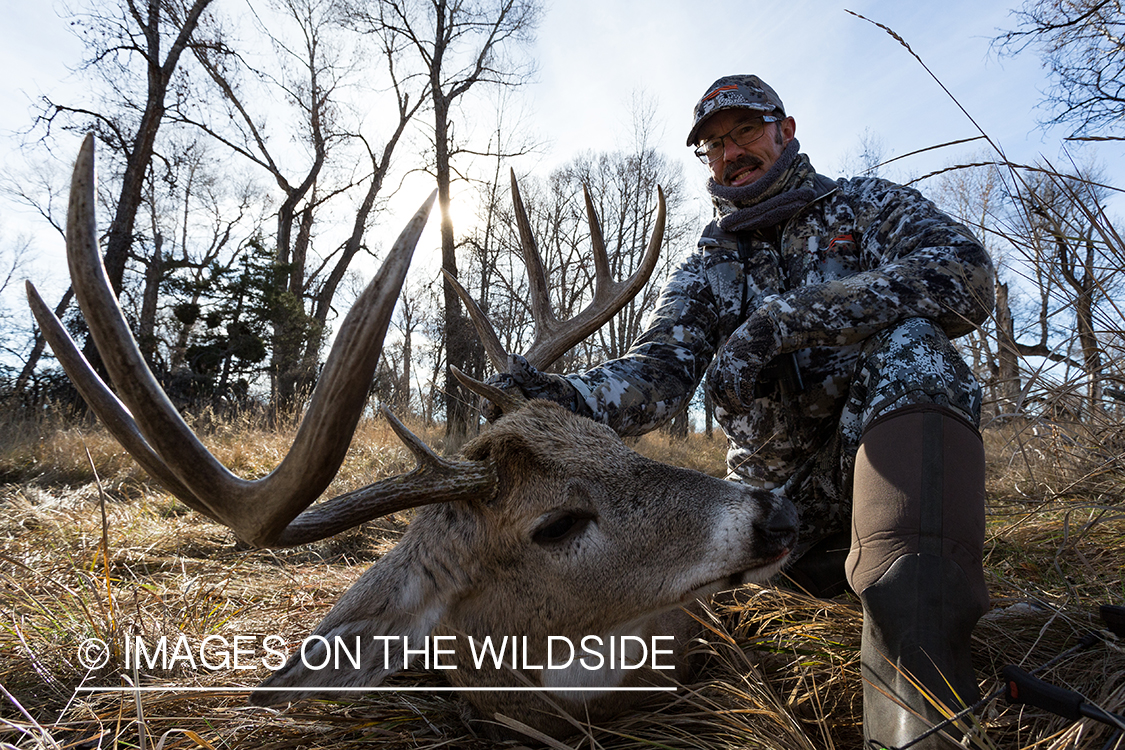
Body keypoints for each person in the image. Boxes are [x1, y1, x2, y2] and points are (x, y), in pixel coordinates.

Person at [494, 74, 994, 749]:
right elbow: (656, 376)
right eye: (714, 145)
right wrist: (557, 397)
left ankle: (918, 672)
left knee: (915, 345)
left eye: (744, 133)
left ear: (784, 131)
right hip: (774, 507)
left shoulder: (868, 206)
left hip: (883, 470)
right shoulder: (708, 266)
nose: (730, 152)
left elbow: (965, 275)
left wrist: (790, 318)